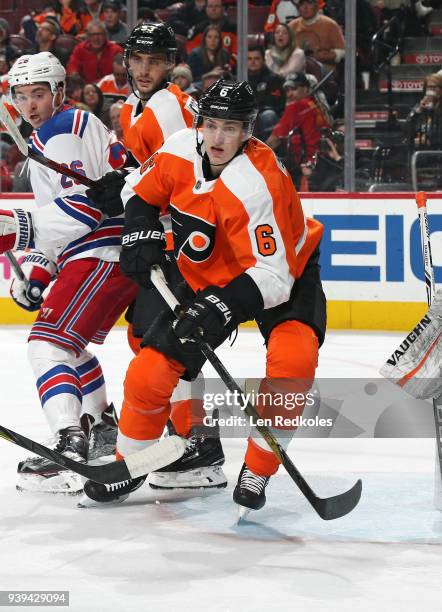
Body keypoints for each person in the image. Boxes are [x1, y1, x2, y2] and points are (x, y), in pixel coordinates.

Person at [80, 79, 326, 516]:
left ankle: (259, 467)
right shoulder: (179, 148)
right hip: (208, 275)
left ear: (248, 131)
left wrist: (219, 308)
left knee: (294, 361)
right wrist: (139, 231)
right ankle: (129, 463)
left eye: (230, 128)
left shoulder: (258, 183)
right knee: (149, 373)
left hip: (284, 271)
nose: (217, 138)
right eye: (211, 125)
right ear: (199, 123)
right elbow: (139, 189)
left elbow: (272, 277)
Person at [0, 52, 138, 494]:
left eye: (38, 94)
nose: (30, 105)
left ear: (58, 92)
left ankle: (69, 444)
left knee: (47, 346)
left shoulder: (60, 130)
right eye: (21, 97)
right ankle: (100, 428)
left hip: (101, 251)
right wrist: (40, 271)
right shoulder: (63, 130)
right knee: (72, 349)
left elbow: (84, 209)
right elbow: (68, 214)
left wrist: (21, 228)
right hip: (107, 252)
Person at [106, 22, 227, 490]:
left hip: (180, 239)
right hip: (165, 235)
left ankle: (199, 444)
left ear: (169, 63)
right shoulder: (141, 108)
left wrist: (129, 187)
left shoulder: (166, 106)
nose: (143, 69)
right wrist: (125, 178)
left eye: (154, 61)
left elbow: (184, 173)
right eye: (137, 60)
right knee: (149, 338)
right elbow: (150, 167)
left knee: (169, 343)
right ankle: (188, 437)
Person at [267, 72, 330, 188]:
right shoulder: (316, 104)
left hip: (307, 165)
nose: (289, 94)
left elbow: (274, 140)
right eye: (287, 90)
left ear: (306, 89)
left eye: (294, 89)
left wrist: (254, 156)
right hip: (325, 161)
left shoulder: (297, 106)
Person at [289, 0, 345, 73]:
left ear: (317, 6)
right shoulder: (291, 26)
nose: (305, 7)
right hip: (296, 72)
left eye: (309, 2)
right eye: (301, 4)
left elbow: (342, 51)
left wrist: (326, 55)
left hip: (325, 74)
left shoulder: (330, 24)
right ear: (298, 8)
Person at [66, 20, 123, 84]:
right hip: (86, 90)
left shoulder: (117, 50)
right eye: (92, 35)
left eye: (99, 34)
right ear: (87, 36)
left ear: (105, 35)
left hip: (110, 89)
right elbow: (72, 69)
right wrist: (75, 76)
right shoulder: (80, 49)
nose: (96, 38)